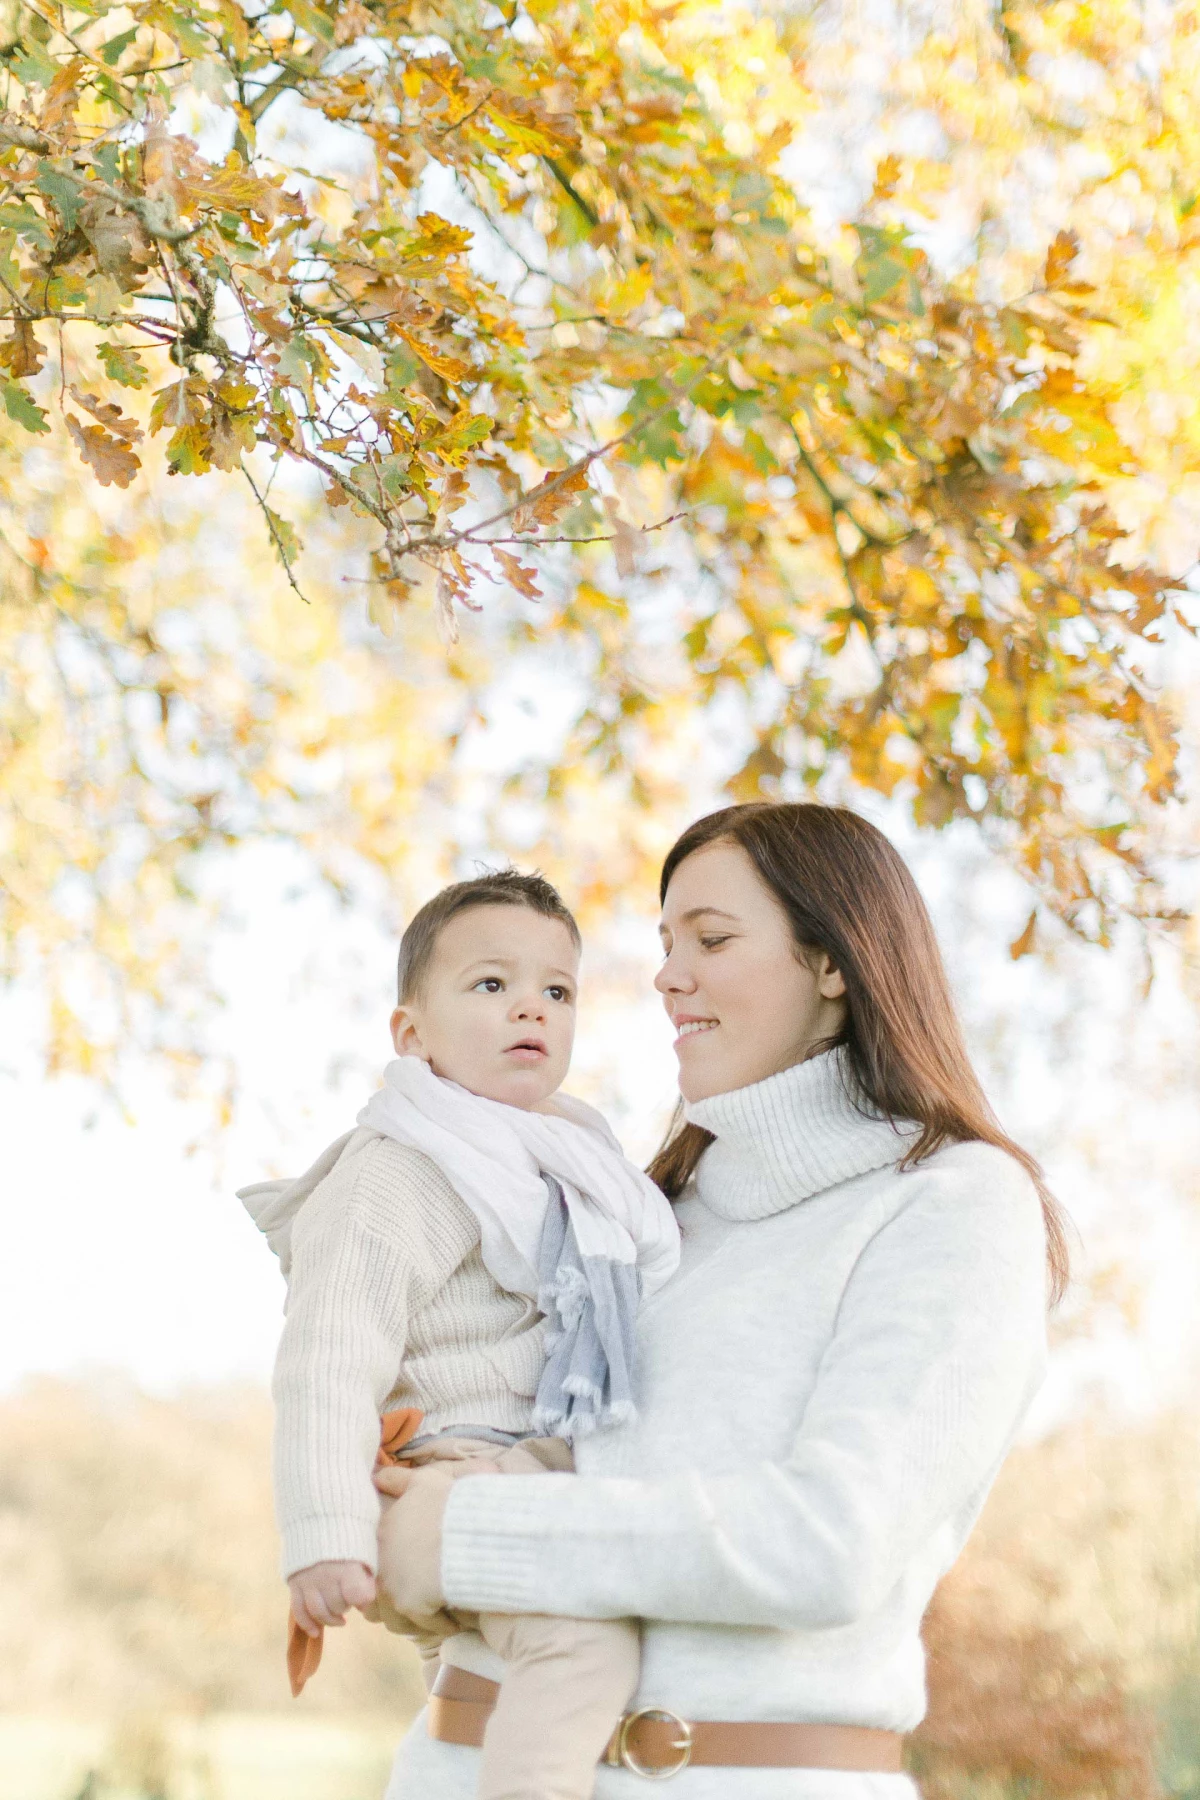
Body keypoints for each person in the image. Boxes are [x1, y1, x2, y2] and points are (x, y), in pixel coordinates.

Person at [375, 802, 1066, 1798]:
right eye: (663, 945)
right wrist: (394, 1489)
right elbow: (490, 1446)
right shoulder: (638, 1215)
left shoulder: (955, 1205)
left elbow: (828, 1543)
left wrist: (470, 1538)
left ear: (833, 963)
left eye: (711, 938)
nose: (666, 974)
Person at [238, 868, 680, 1800]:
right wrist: (325, 1532)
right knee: (579, 1643)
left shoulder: (569, 1161)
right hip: (432, 1476)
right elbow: (327, 1359)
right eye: (491, 984)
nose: (532, 1007)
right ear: (411, 1033)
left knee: (527, 1667)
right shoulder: (399, 1171)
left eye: (556, 991)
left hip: (531, 1470)